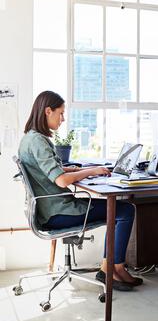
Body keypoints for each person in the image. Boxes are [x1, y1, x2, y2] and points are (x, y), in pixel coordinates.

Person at [18, 90, 142, 291]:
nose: (63, 119)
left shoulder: (29, 139)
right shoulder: (38, 141)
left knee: (119, 209)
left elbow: (50, 170)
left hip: (49, 209)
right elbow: (61, 180)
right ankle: (112, 268)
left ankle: (111, 268)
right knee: (125, 210)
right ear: (48, 111)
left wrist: (79, 170)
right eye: (61, 113)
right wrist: (91, 171)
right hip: (58, 212)